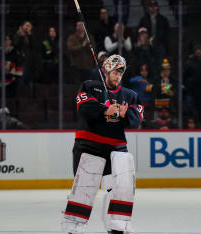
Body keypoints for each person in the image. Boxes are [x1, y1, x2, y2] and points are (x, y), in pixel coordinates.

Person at [61, 55, 143, 234]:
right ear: (106, 70)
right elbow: (84, 109)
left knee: (120, 187)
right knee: (85, 188)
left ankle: (116, 225)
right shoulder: (90, 86)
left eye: (121, 72)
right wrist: (105, 109)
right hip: (88, 144)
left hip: (115, 147)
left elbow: (136, 120)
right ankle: (74, 227)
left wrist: (124, 114)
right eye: (115, 71)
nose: (118, 76)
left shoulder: (130, 95)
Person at [138, 0, 170, 75]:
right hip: (147, 45)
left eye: (154, 6)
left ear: (157, 7)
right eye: (151, 6)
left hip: (159, 45)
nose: (152, 8)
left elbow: (166, 34)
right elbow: (140, 33)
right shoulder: (144, 19)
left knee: (160, 64)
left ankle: (159, 79)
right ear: (148, 8)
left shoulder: (163, 19)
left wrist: (163, 44)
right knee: (147, 61)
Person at [13, 21, 34, 88]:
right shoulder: (17, 35)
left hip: (29, 61)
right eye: (26, 25)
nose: (28, 27)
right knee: (21, 80)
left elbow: (33, 47)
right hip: (21, 61)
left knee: (29, 80)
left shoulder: (30, 36)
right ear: (22, 26)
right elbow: (16, 45)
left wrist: (30, 36)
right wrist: (21, 36)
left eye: (29, 26)